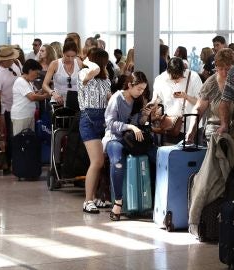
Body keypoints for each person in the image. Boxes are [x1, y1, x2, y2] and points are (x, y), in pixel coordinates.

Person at [102, 71, 155, 221]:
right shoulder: (117, 98)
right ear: (130, 85)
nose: (141, 92)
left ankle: (152, 199)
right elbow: (110, 123)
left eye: (143, 89)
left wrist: (145, 115)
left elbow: (138, 122)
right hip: (115, 138)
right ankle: (118, 201)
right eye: (139, 89)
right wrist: (130, 127)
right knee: (117, 162)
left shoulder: (138, 100)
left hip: (132, 140)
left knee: (156, 156)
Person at [78, 48, 112, 214]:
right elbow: (96, 70)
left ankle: (98, 197)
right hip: (88, 120)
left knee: (101, 163)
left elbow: (108, 98)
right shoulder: (84, 73)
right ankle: (87, 200)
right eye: (104, 61)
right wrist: (87, 61)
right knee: (97, 161)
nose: (105, 65)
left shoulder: (105, 79)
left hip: (103, 120)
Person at [186, 48, 234, 143]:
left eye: (228, 69)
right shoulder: (211, 83)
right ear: (216, 67)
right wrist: (191, 131)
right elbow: (199, 109)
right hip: (215, 132)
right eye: (220, 69)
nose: (224, 73)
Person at [150, 57, 202, 144]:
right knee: (170, 155)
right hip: (170, 126)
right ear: (168, 72)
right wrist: (153, 104)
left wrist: (186, 96)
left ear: (184, 70)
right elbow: (157, 99)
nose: (176, 81)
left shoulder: (193, 77)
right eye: (173, 78)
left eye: (179, 78)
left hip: (191, 126)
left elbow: (201, 103)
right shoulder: (160, 79)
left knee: (191, 156)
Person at [0, 45, 22, 174]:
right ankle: (7, 163)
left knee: (17, 135)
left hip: (20, 105)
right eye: (10, 59)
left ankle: (18, 161)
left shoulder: (14, 65)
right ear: (2, 60)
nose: (12, 60)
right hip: (7, 109)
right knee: (8, 137)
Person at [42, 40, 83, 111]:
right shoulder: (55, 64)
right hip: (58, 101)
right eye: (68, 56)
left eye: (73, 56)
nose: (70, 59)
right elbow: (44, 85)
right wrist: (53, 93)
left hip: (75, 101)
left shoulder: (79, 63)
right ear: (63, 53)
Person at [10, 59, 49, 135]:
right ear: (30, 70)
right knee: (21, 142)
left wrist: (42, 90)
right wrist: (45, 96)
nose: (37, 76)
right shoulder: (20, 81)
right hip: (21, 117)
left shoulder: (28, 82)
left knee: (29, 141)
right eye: (36, 73)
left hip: (28, 115)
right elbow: (32, 97)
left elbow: (33, 94)